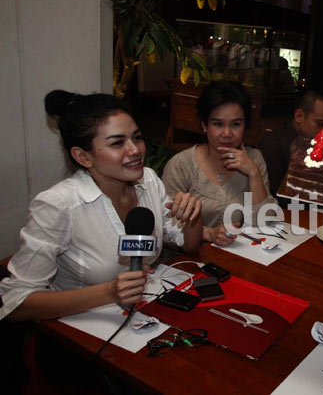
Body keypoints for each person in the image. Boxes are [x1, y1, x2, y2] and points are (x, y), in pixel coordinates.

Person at [0, 90, 202, 322]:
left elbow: (189, 244)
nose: (135, 150)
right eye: (117, 143)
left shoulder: (148, 180)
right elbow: (17, 303)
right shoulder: (58, 204)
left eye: (137, 138)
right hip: (77, 330)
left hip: (143, 315)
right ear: (83, 157)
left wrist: (193, 216)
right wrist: (109, 292)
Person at [162, 81, 276, 246]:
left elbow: (265, 222)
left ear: (245, 126)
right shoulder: (180, 165)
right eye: (218, 124)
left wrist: (253, 173)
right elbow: (166, 228)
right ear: (204, 125)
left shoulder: (254, 159)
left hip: (241, 252)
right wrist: (208, 233)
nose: (227, 133)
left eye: (236, 124)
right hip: (193, 255)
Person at [259, 90, 323, 203]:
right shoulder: (274, 144)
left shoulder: (320, 143)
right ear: (299, 116)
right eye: (320, 123)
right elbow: (274, 194)